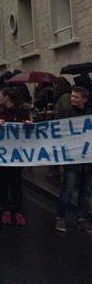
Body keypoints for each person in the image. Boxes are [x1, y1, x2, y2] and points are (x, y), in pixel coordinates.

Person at [0, 86, 32, 226]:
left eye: (1, 95)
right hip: (2, 155)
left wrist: (28, 125)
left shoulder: (22, 112)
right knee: (3, 183)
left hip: (16, 155)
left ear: (8, 97)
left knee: (16, 184)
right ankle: (5, 210)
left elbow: (29, 132)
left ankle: (18, 211)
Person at [55, 86, 92, 233]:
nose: (72, 99)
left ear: (84, 99)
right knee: (68, 189)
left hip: (87, 159)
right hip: (71, 158)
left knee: (85, 190)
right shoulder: (64, 114)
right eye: (72, 96)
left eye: (76, 97)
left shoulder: (89, 115)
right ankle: (61, 217)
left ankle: (82, 218)